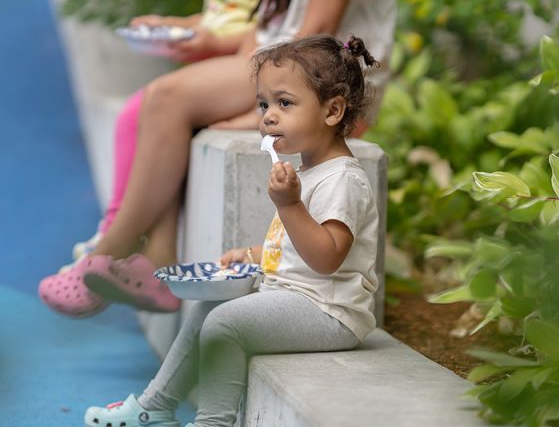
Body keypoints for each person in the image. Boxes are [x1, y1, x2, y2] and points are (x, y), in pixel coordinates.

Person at [38, 0, 396, 319]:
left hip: (320, 84)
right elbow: (285, 26)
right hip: (294, 70)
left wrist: (254, 108)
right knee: (165, 105)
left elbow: (317, 31)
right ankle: (154, 259)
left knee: (166, 97)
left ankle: (107, 253)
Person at [83, 34, 380, 427]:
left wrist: (289, 205)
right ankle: (155, 406)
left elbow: (326, 258)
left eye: (284, 103)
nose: (268, 116)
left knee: (224, 324)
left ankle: (214, 422)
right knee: (209, 307)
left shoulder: (342, 179)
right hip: (299, 298)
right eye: (264, 104)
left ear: (332, 110)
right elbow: (298, 248)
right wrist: (256, 255)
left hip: (330, 313)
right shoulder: (309, 172)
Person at [66, 0, 276, 266]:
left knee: (141, 113)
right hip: (212, 68)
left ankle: (117, 231)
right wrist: (172, 23)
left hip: (241, 69)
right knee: (136, 118)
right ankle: (128, 231)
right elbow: (214, 17)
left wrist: (208, 40)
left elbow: (258, 26)